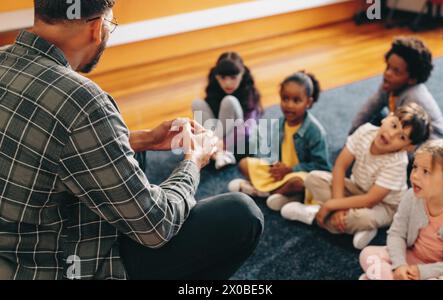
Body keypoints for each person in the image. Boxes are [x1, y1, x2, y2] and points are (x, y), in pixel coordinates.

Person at [0, 0, 263, 280]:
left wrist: (143, 139)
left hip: (15, 251)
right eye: (111, 25)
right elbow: (156, 226)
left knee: (133, 155)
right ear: (98, 28)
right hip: (62, 266)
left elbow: (44, 143)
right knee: (243, 215)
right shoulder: (83, 102)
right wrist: (193, 161)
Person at [281, 103, 431, 249]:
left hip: (384, 205)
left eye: (402, 137)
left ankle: (312, 216)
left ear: (407, 148)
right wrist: (338, 205)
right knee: (313, 178)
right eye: (393, 125)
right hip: (357, 187)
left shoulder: (397, 163)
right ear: (387, 117)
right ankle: (351, 226)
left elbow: (370, 200)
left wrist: (330, 205)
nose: (391, 135)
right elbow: (340, 167)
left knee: (361, 218)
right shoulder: (365, 131)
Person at [229, 71, 331, 211]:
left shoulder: (315, 132)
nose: (289, 105)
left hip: (297, 174)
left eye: (296, 100)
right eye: (285, 98)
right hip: (282, 173)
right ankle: (282, 195)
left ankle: (261, 191)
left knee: (299, 182)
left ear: (308, 102)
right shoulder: (279, 123)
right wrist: (274, 165)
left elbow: (323, 167)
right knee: (244, 163)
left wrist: (291, 169)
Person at [360, 140, 443, 280]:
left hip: (437, 271)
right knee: (368, 254)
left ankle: (378, 276)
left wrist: (422, 272)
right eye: (415, 167)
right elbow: (397, 234)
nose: (414, 176)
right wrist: (399, 265)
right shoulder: (411, 197)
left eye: (425, 171)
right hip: (409, 259)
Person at [350, 37, 443, 140]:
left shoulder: (413, 99)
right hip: (401, 124)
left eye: (396, 71)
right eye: (388, 67)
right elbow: (369, 108)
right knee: (374, 118)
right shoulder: (389, 85)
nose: (387, 73)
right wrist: (352, 135)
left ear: (412, 79)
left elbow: (407, 138)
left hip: (427, 143)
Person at [192, 52, 263, 169]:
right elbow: (212, 122)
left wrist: (222, 143)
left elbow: (247, 129)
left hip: (240, 143)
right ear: (216, 76)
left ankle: (215, 151)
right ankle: (216, 153)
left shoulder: (248, 93)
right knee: (197, 104)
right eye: (223, 78)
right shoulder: (214, 89)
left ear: (242, 74)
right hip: (219, 137)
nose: (227, 83)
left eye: (233, 78)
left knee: (229, 101)